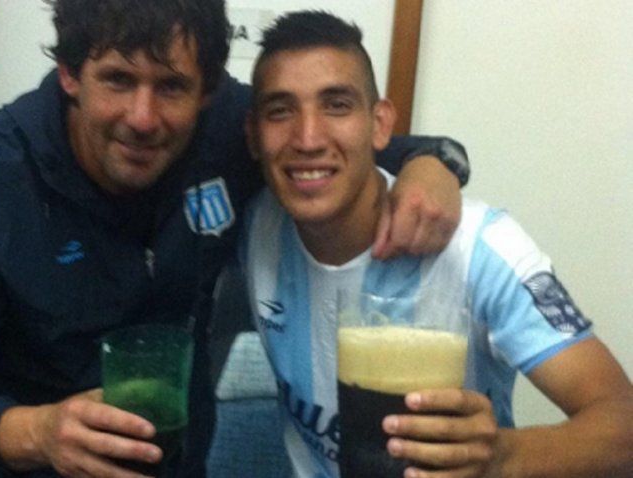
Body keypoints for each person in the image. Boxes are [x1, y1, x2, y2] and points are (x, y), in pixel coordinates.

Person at [0, 1, 472, 477]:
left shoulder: (229, 129)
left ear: (207, 91)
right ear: (70, 75)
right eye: (118, 80)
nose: (143, 117)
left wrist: (434, 164)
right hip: (24, 464)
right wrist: (39, 433)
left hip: (178, 459)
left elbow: (356, 147)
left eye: (170, 87)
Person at [241, 10, 633, 478]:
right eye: (280, 111)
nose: (308, 138)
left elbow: (623, 425)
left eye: (337, 105)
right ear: (252, 136)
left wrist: (503, 456)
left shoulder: (481, 249)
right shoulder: (253, 223)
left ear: (380, 124)